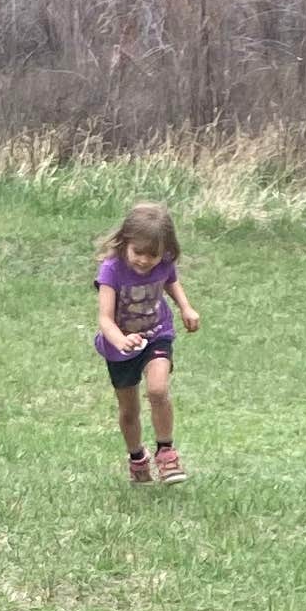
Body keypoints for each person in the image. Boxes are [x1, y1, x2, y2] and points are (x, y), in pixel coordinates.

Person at [92, 198, 200, 484]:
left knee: (158, 389)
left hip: (156, 333)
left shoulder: (162, 262)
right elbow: (104, 318)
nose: (144, 260)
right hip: (119, 347)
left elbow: (170, 280)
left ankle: (166, 453)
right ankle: (137, 458)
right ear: (124, 242)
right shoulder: (111, 270)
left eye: (152, 255)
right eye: (138, 252)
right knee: (130, 411)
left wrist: (185, 307)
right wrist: (120, 339)